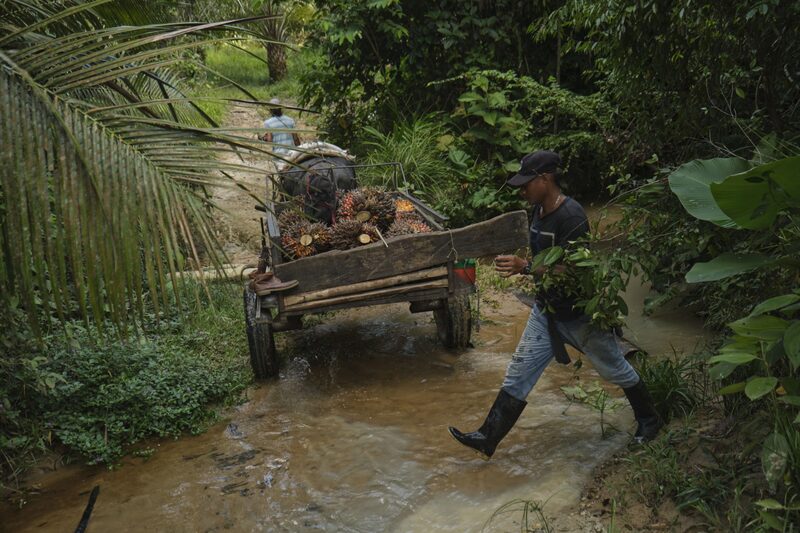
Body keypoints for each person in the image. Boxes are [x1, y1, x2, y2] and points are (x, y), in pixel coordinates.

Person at [448, 150, 662, 460]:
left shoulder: (572, 217)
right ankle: (487, 437)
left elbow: (577, 271)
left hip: (579, 316)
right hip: (546, 312)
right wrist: (528, 268)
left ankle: (650, 420)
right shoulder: (538, 211)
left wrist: (525, 266)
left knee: (615, 369)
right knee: (518, 372)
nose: (522, 191)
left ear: (545, 179)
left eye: (526, 184)